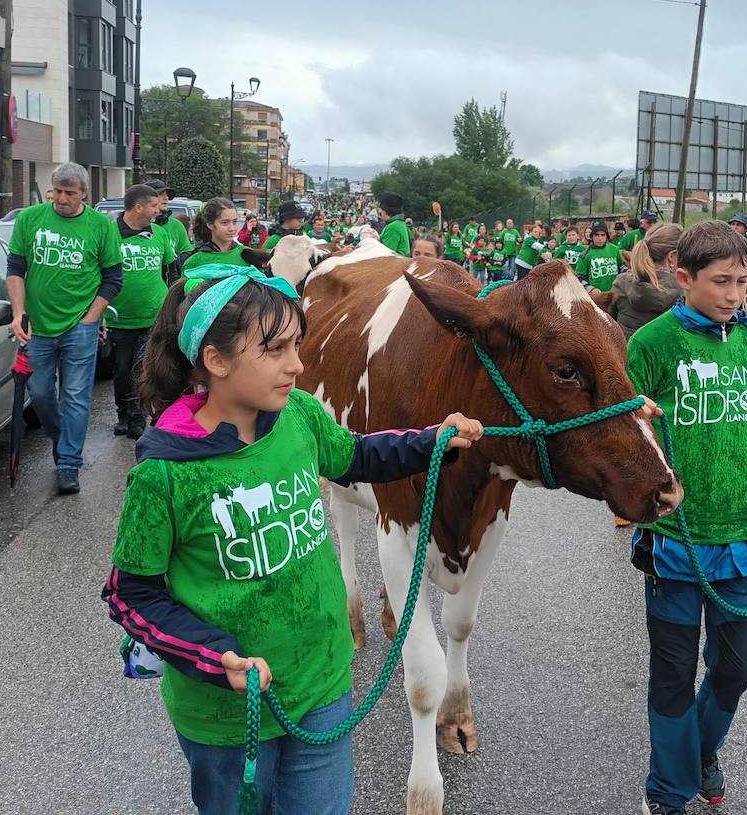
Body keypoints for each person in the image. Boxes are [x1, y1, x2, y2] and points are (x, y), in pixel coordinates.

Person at [101, 264, 483, 815]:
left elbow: (356, 455)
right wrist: (213, 657)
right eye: (276, 349)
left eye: (297, 345)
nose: (298, 364)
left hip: (323, 681)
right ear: (217, 360)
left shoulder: (300, 415)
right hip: (231, 718)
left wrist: (433, 441)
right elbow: (131, 595)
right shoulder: (165, 475)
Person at [626, 219, 747, 815]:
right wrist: (641, 421)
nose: (734, 295)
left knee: (737, 668)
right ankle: (669, 792)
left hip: (738, 533)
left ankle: (701, 751)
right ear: (683, 279)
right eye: (720, 283)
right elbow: (625, 433)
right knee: (674, 675)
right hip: (675, 537)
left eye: (742, 283)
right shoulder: (651, 344)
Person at [6, 163, 123, 494]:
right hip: (37, 327)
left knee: (75, 396)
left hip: (79, 327)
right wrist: (18, 312)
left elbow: (113, 278)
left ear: (84, 194)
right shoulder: (30, 219)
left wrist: (92, 317)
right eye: (57, 191)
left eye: (69, 193)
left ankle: (69, 463)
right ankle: (61, 437)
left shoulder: (100, 226)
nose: (61, 198)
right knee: (40, 393)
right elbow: (16, 267)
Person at [109, 184, 176, 440]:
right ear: (139, 207)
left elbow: (170, 272)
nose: (158, 211)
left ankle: (139, 416)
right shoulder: (110, 233)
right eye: (154, 206)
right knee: (122, 370)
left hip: (153, 317)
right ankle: (124, 413)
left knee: (145, 369)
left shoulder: (158, 234)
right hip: (120, 318)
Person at [611, 222, 684, 339]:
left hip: (628, 353)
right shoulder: (685, 289)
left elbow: (609, 324)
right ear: (671, 257)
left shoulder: (621, 282)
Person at [179, 198, 251, 274]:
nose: (232, 228)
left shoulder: (249, 256)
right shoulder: (195, 261)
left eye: (234, 222)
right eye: (225, 223)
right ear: (210, 224)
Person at [145, 180, 194, 256]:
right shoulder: (138, 226)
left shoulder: (176, 225)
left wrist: (173, 262)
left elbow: (187, 253)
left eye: (167, 194)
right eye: (160, 194)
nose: (166, 198)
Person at [574, 221, 624, 294]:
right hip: (596, 297)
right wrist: (590, 289)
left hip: (615, 294)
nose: (600, 238)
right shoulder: (584, 255)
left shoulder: (615, 249)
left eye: (602, 235)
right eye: (596, 235)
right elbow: (579, 277)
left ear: (607, 236)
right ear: (592, 236)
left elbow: (622, 268)